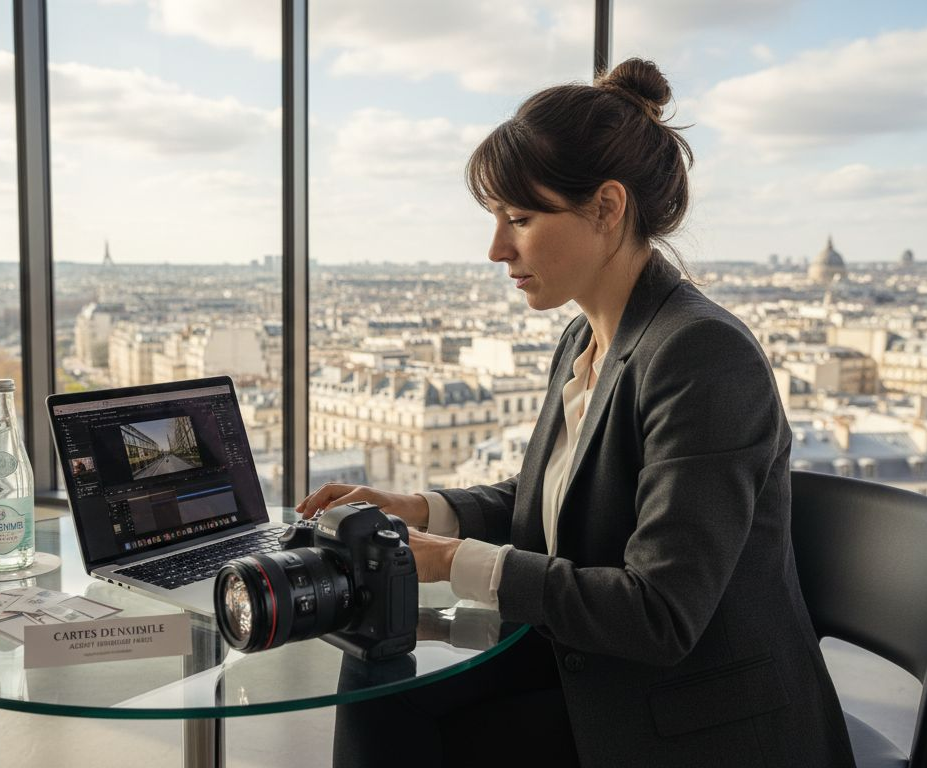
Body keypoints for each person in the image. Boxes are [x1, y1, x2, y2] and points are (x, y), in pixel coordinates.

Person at [299, 58, 857, 768]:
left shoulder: (702, 355)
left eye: (520, 219)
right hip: (605, 673)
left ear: (608, 208)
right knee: (380, 678)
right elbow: (550, 504)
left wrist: (451, 561)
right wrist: (420, 509)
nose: (497, 249)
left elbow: (660, 614)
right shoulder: (590, 335)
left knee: (399, 703)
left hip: (695, 719)